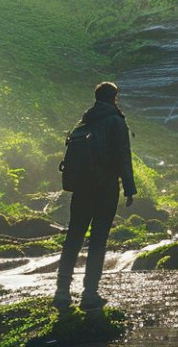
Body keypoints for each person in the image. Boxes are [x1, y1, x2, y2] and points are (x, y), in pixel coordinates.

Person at [54, 81, 136, 311]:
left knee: (73, 238)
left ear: (96, 97)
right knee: (98, 241)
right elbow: (123, 156)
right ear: (114, 97)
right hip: (106, 188)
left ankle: (61, 292)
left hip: (81, 188)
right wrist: (129, 188)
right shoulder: (116, 121)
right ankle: (89, 294)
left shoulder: (85, 121)